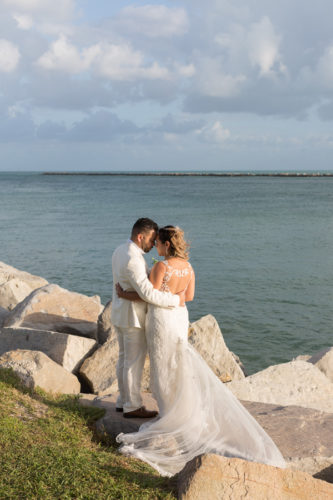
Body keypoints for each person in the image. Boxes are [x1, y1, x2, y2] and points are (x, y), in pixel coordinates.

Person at [115, 225, 285, 477]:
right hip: (179, 318)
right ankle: (180, 410)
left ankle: (169, 414)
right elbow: (190, 296)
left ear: (166, 245)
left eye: (159, 243)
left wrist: (125, 294)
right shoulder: (188, 267)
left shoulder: (162, 267)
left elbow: (148, 295)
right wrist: (176, 296)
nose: (157, 247)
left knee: (163, 365)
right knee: (177, 362)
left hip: (161, 319)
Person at [111, 218, 184, 419]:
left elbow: (130, 286)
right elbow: (148, 294)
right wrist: (174, 300)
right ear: (140, 236)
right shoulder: (133, 258)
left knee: (124, 359)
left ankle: (122, 400)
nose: (153, 244)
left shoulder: (120, 250)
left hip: (120, 312)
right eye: (151, 240)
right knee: (133, 363)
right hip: (132, 316)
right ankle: (132, 405)